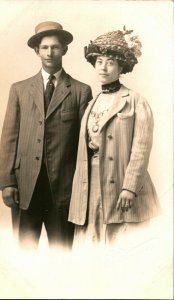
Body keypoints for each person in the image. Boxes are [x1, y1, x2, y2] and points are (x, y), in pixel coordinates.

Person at [0, 21, 92, 250]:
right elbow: (9, 136)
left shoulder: (81, 91)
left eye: (56, 47)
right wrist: (7, 182)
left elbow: (85, 144)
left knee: (62, 253)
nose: (50, 52)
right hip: (25, 187)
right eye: (45, 47)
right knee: (24, 253)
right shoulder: (19, 89)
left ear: (65, 50)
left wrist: (83, 188)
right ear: (36, 51)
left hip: (63, 189)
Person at [68, 26, 161, 249]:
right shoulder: (92, 102)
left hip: (121, 182)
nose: (104, 67)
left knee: (123, 246)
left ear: (121, 67)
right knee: (93, 245)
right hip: (92, 185)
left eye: (110, 62)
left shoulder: (136, 101)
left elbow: (141, 148)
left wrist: (129, 187)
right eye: (100, 61)